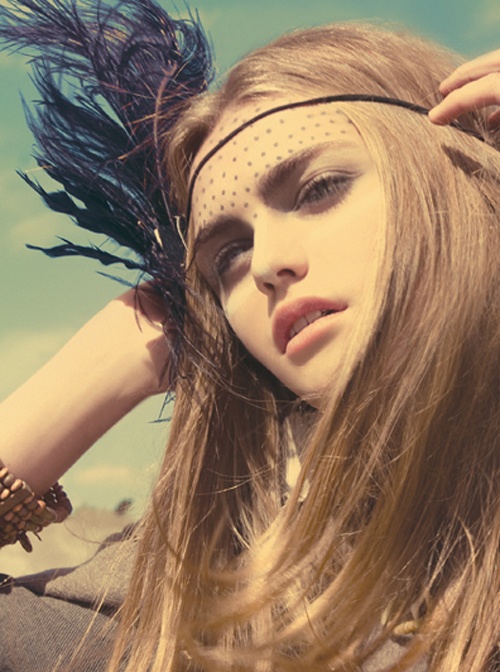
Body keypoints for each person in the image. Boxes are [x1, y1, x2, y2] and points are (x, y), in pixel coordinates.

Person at [0, 1, 499, 670]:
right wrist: (110, 358)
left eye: (319, 188)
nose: (266, 265)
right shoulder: (187, 613)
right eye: (228, 255)